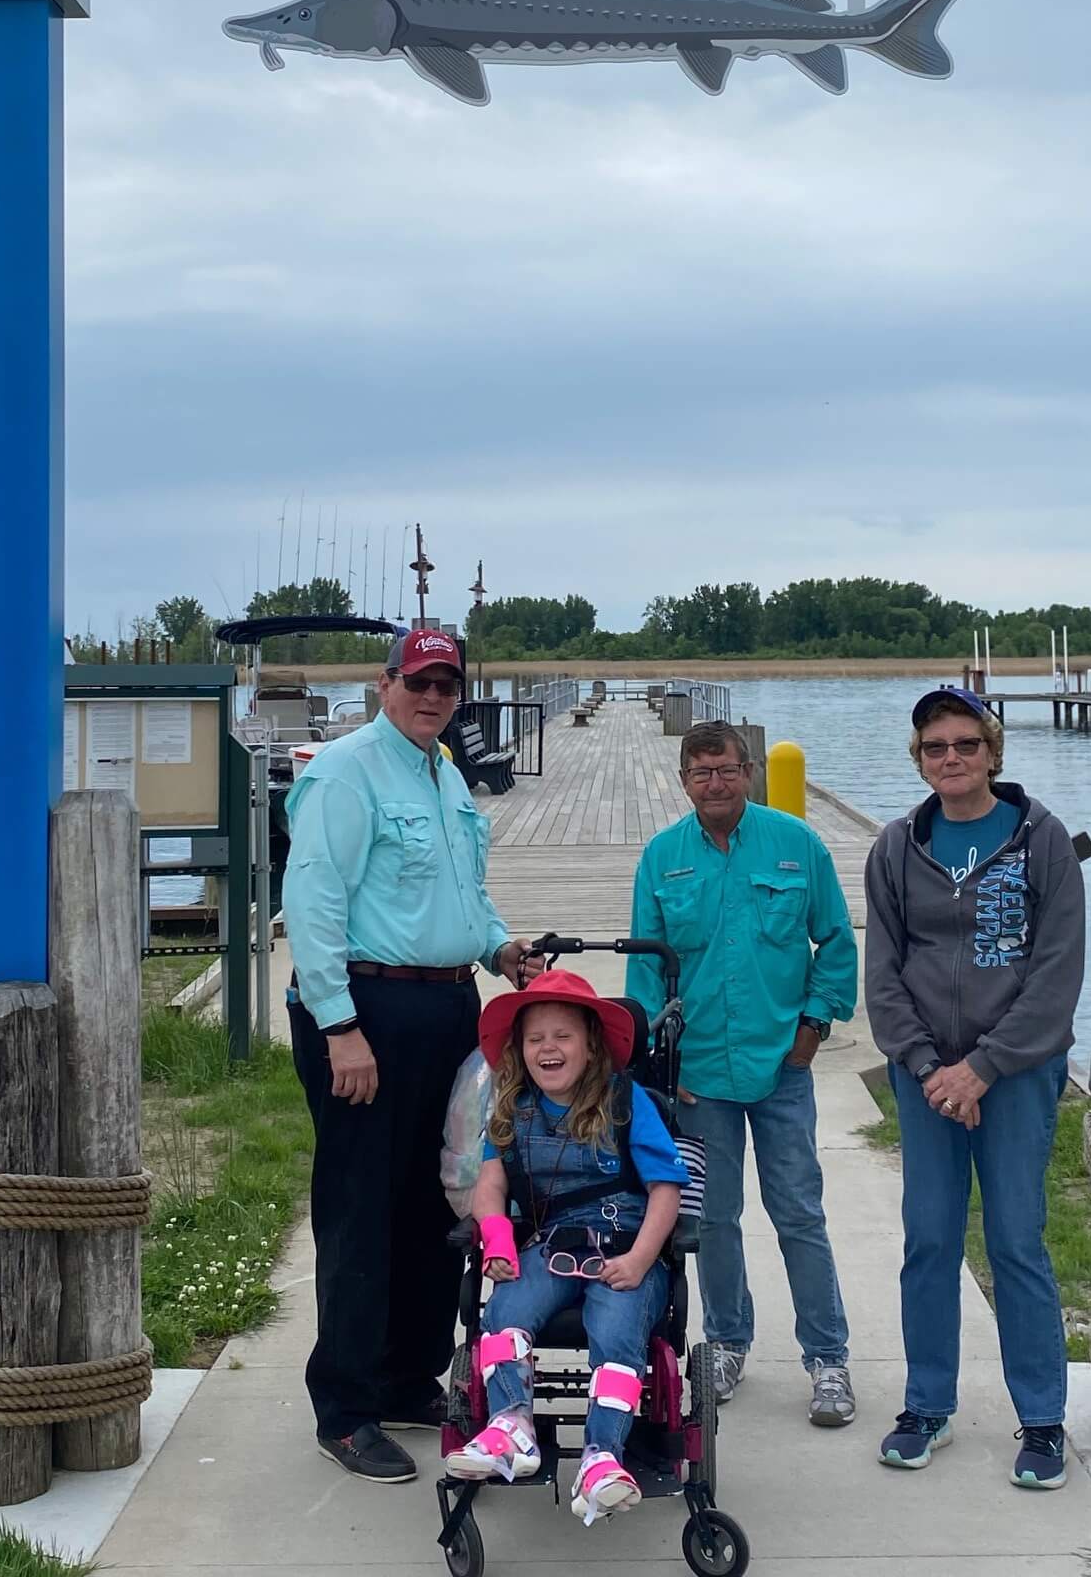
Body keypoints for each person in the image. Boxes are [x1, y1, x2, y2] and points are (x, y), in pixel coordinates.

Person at [283, 626, 539, 1485]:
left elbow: (463, 890)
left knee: (439, 1203)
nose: (433, 696)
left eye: (447, 684)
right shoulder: (345, 771)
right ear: (385, 682)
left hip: (447, 1003)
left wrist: (499, 948)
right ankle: (347, 1408)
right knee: (361, 1208)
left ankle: (408, 1377)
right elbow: (313, 898)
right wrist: (338, 1025)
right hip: (367, 1008)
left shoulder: (443, 772)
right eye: (418, 681)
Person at [863, 685, 1085, 1491]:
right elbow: (882, 975)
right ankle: (927, 1404)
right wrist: (929, 1068)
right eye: (934, 748)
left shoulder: (1044, 842)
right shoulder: (894, 847)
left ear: (992, 752)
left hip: (1016, 1076)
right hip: (926, 1080)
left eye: (964, 744)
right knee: (929, 1238)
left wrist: (985, 1066)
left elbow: (1058, 974)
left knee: (1017, 1241)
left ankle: (1043, 1418)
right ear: (919, 759)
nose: (949, 759)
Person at [627, 719, 860, 1428]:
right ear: (684, 781)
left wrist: (814, 1026)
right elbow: (645, 967)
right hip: (699, 1076)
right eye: (701, 774)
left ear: (749, 770)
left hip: (781, 1068)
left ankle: (827, 1359)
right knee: (713, 1217)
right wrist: (657, 1065)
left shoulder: (798, 845)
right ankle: (727, 1343)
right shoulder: (661, 858)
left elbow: (837, 941)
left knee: (799, 1212)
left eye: (727, 770)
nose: (716, 784)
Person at [448, 969, 689, 1524]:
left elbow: (665, 1189)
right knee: (505, 1309)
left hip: (624, 1250)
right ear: (519, 1049)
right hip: (550, 1247)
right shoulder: (513, 1109)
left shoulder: (628, 1103)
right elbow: (491, 1185)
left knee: (617, 1329)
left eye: (562, 1036)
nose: (548, 1048)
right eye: (535, 1039)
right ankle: (512, 1426)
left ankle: (602, 1456)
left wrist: (642, 1258)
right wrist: (499, 1237)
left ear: (591, 1046)